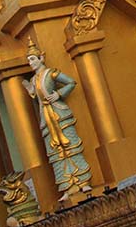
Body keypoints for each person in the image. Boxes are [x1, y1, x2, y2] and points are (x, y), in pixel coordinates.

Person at [22, 40, 93, 200]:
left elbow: (71, 82)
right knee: (55, 153)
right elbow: (36, 94)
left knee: (72, 146)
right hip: (46, 119)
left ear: (41, 58)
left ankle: (83, 181)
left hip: (60, 115)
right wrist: (29, 89)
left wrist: (58, 95)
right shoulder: (34, 80)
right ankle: (67, 187)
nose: (31, 63)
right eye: (29, 60)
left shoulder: (51, 73)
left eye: (33, 59)